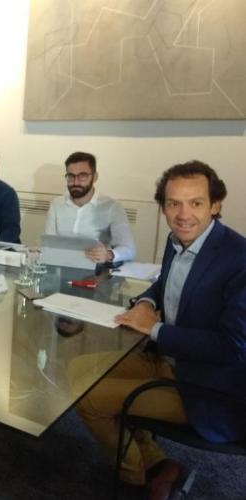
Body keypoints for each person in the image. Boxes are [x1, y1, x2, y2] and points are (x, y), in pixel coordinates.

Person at [73, 161, 246, 500]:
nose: (183, 214)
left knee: (90, 400)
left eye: (195, 203)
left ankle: (138, 475)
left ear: (215, 205)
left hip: (209, 389)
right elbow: (164, 283)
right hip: (169, 360)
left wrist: (155, 329)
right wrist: (146, 302)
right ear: (163, 206)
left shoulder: (239, 259)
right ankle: (157, 464)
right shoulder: (176, 240)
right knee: (77, 369)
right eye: (173, 203)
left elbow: (233, 347)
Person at [44, 152, 136, 264]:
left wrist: (108, 254)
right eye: (71, 176)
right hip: (60, 266)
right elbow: (48, 244)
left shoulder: (112, 207)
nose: (76, 182)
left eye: (82, 176)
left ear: (95, 177)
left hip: (95, 269)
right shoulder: (56, 204)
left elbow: (129, 249)